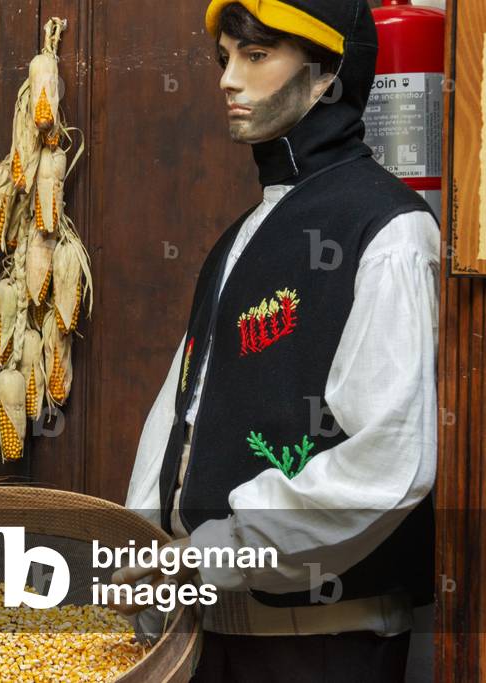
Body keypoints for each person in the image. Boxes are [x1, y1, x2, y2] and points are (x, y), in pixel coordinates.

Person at [117, 1, 438, 681]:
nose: (227, 80)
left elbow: (390, 456)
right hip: (208, 628)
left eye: (255, 56)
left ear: (324, 75)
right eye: (223, 58)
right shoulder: (240, 236)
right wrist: (145, 547)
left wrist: (220, 549)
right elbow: (181, 412)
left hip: (319, 640)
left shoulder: (389, 229)